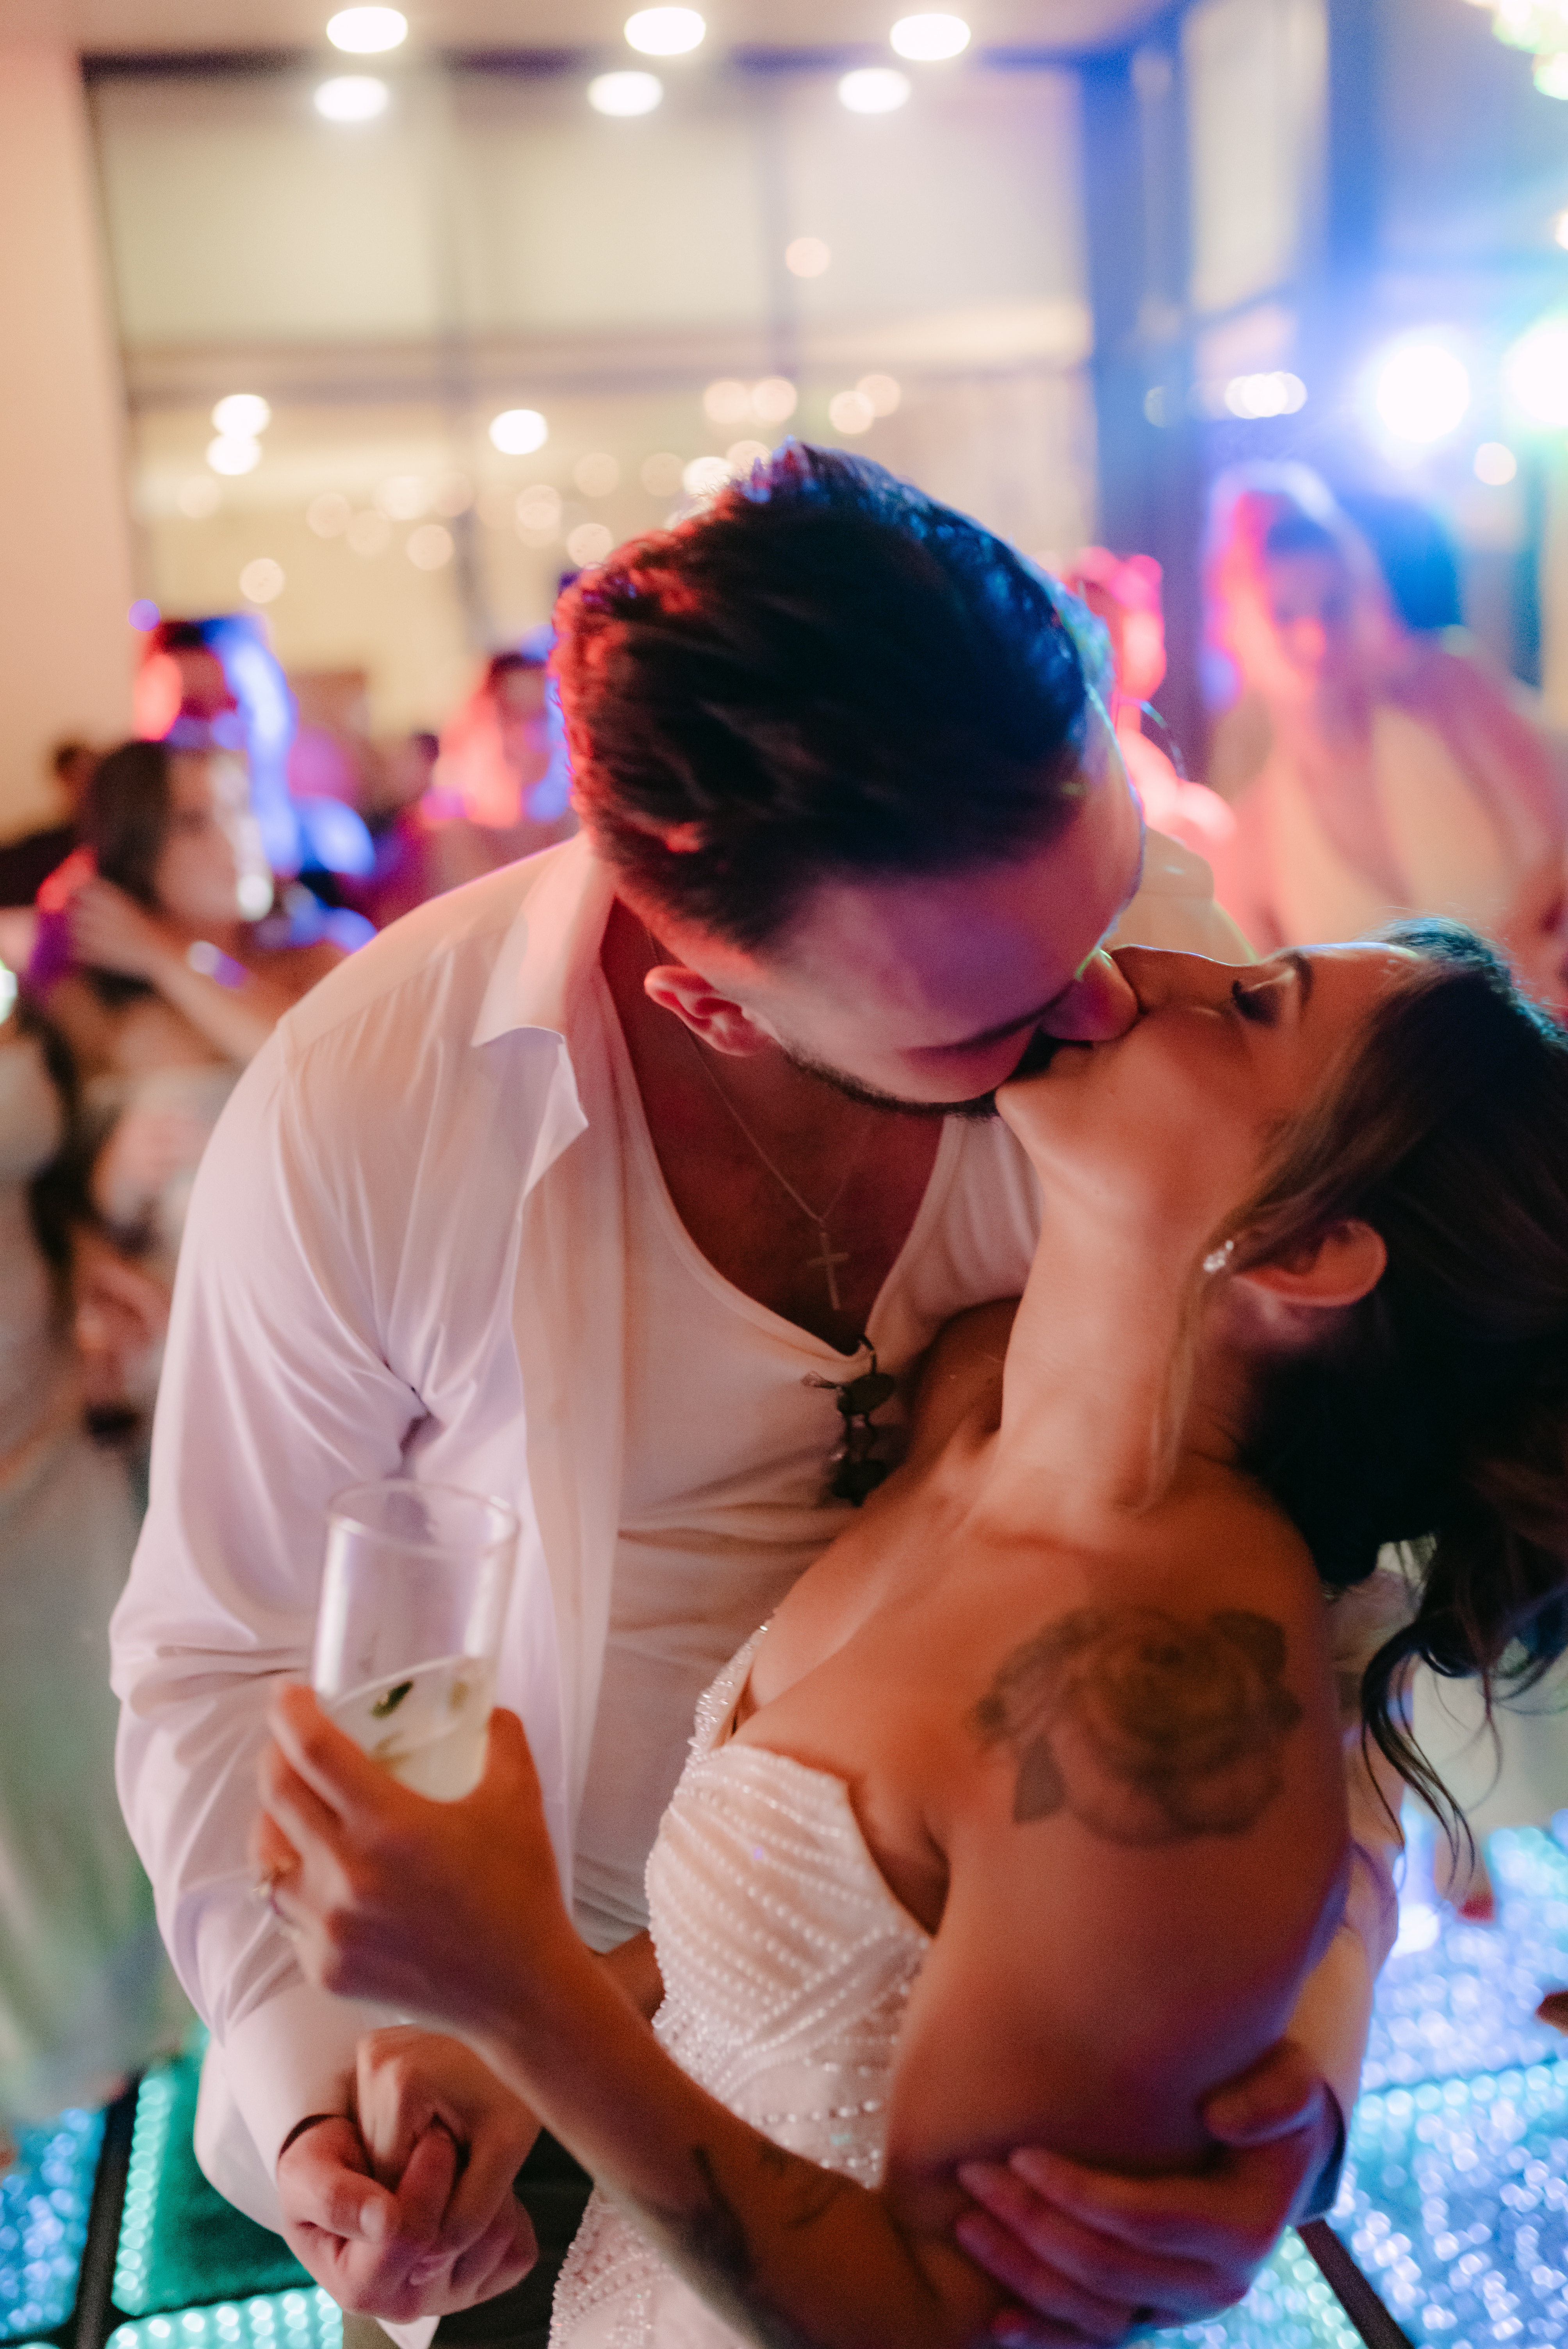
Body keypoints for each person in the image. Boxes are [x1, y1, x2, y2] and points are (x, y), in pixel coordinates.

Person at [113, 445, 1374, 2349]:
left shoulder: (1156, 971)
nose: (1110, 1005)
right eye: (993, 1023)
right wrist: (309, 2097)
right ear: (708, 1000)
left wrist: (1303, 2054)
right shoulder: (375, 1103)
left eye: (1109, 900)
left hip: (1042, 2028)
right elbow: (222, 1648)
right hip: (499, 2080)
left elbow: (1333, 1560)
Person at [257, 916, 1568, 2349]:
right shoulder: (969, 1404)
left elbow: (947, 2326)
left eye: (1254, 1004)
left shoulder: (1162, 1680)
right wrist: (521, 2052)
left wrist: (524, 1991)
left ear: (1307, 1246)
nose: (1151, 966)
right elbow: (834, 1948)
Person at [0, 994, 186, 2136]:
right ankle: (53, 2080)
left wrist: (80, 1247)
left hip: (55, 1419)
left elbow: (36, 1165)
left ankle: (160, 2025)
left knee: (119, 1723)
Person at [1203, 467, 1566, 1011]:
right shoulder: (1249, 845)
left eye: (1333, 604)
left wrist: (1514, 968)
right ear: (1235, 631)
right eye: (1284, 613)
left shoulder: (1450, 690)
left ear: (1366, 599)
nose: (1316, 635)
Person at [29, 737, 345, 1273]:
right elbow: (61, 1194)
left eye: (241, 808)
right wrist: (115, 1178)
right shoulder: (90, 1006)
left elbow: (308, 1062)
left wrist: (169, 958)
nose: (236, 838)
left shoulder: (327, 953)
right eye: (195, 823)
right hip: (180, 1285)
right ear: (137, 852)